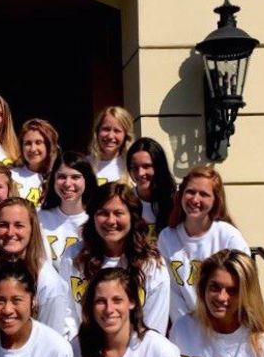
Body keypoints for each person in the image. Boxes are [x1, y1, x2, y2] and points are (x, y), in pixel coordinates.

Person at [59, 183, 170, 334]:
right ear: (92, 217)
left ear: (132, 217)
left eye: (118, 213)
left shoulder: (152, 265)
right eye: (103, 213)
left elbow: (154, 327)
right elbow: (66, 315)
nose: (111, 221)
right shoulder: (73, 256)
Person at [159, 165, 249, 324]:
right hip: (185, 327)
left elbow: (243, 285)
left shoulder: (228, 237)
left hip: (224, 325)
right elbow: (171, 292)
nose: (195, 199)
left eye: (204, 194)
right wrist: (187, 327)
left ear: (216, 200)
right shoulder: (167, 237)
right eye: (190, 192)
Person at [0, 198, 75, 340]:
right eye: (3, 225)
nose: (10, 232)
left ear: (32, 229)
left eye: (19, 225)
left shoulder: (48, 282)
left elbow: (51, 339)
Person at [38, 152, 96, 271]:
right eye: (61, 177)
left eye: (75, 177)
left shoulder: (96, 219)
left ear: (87, 180)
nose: (67, 183)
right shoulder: (38, 217)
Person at [126, 137, 176, 246]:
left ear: (159, 166)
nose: (140, 173)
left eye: (146, 166)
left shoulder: (175, 201)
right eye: (134, 167)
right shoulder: (126, 200)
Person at [13, 119, 58, 208]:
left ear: (48, 145)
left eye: (38, 142)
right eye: (28, 143)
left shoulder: (60, 178)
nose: (33, 149)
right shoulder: (11, 176)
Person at [87, 107, 135, 185]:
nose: (110, 136)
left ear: (126, 135)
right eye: (106, 129)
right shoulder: (85, 164)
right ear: (97, 131)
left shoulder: (132, 166)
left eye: (117, 131)